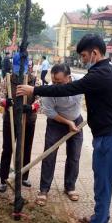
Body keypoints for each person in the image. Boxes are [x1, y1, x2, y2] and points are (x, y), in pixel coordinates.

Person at [17, 34, 112, 223]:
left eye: (84, 56)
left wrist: (34, 90)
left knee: (103, 184)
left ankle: (98, 221)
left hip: (110, 139)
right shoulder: (108, 70)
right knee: (102, 182)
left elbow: (67, 89)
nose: (82, 60)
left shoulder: (100, 75)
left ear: (94, 53)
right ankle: (100, 217)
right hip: (107, 136)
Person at [35, 64, 84, 206]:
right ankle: (44, 189)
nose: (55, 86)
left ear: (69, 78)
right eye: (53, 82)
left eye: (59, 82)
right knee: (49, 155)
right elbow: (49, 112)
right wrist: (67, 122)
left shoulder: (81, 81)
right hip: (56, 123)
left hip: (76, 121)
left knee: (74, 155)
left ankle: (70, 187)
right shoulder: (49, 91)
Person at [0, 52, 40, 193]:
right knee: (7, 149)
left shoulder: (34, 80)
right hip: (10, 120)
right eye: (17, 68)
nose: (19, 71)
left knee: (26, 148)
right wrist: (5, 102)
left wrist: (32, 107)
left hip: (28, 120)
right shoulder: (7, 79)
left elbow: (41, 99)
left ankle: (24, 176)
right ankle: (3, 179)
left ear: (28, 66)